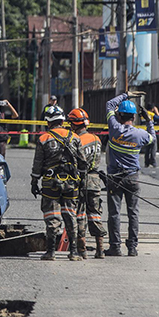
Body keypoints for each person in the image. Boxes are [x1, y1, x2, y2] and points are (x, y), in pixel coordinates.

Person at [31, 105, 88, 261]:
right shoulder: (75, 137)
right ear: (63, 121)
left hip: (50, 183)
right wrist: (82, 182)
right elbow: (82, 163)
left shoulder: (43, 139)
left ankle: (51, 252)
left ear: (48, 122)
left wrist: (34, 182)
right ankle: (74, 252)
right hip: (71, 183)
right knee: (70, 215)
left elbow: (37, 164)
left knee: (52, 216)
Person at [103, 92, 156, 257]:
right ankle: (132, 248)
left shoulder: (114, 128)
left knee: (114, 213)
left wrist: (126, 95)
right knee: (133, 213)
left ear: (119, 115)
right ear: (134, 117)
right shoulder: (140, 134)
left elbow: (109, 105)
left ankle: (115, 247)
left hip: (114, 178)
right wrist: (149, 120)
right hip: (133, 178)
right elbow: (152, 138)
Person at [67, 108, 108, 259]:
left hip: (80, 181)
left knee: (79, 214)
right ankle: (100, 249)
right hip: (95, 180)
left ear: (74, 124)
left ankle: (82, 250)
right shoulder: (96, 139)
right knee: (95, 214)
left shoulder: (75, 140)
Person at [143, 103, 159, 167]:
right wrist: (157, 112)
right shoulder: (150, 114)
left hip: (144, 132)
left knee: (147, 148)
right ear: (152, 109)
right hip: (151, 133)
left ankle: (146, 162)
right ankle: (153, 162)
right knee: (153, 147)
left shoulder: (144, 114)